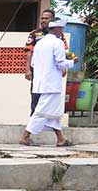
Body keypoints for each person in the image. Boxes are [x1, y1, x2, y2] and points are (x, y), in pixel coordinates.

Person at [20, 18, 76, 147]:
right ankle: (25, 136)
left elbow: (33, 63)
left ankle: (60, 139)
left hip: (40, 83)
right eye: (61, 29)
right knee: (42, 111)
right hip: (52, 84)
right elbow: (61, 62)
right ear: (57, 29)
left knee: (53, 112)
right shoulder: (57, 43)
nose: (62, 32)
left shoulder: (40, 43)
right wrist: (73, 62)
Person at [25, 9, 56, 115]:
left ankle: (47, 122)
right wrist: (28, 70)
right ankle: (33, 120)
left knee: (50, 96)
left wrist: (64, 68)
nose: (43, 20)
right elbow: (29, 52)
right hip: (37, 71)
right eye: (42, 18)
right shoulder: (34, 34)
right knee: (35, 95)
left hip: (51, 72)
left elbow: (62, 52)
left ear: (52, 20)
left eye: (46, 18)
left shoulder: (57, 34)